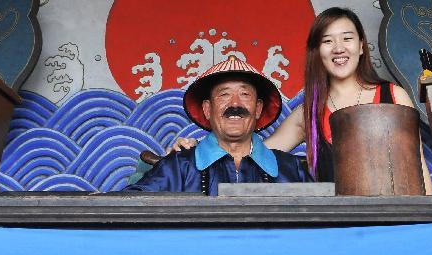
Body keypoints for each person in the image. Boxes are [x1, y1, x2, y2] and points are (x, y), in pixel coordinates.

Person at [173, 7, 432, 194]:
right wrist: (200, 147)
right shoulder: (308, 113)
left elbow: (418, 165)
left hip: (397, 217)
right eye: (327, 41)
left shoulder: (392, 95)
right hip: (337, 226)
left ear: (362, 46)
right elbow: (254, 153)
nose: (338, 48)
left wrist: (428, 221)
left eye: (347, 38)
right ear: (317, 51)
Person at [125, 56, 312, 195]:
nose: (235, 104)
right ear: (207, 109)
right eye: (224, 95)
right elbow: (126, 207)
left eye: (245, 94)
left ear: (258, 108)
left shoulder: (291, 168)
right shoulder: (178, 167)